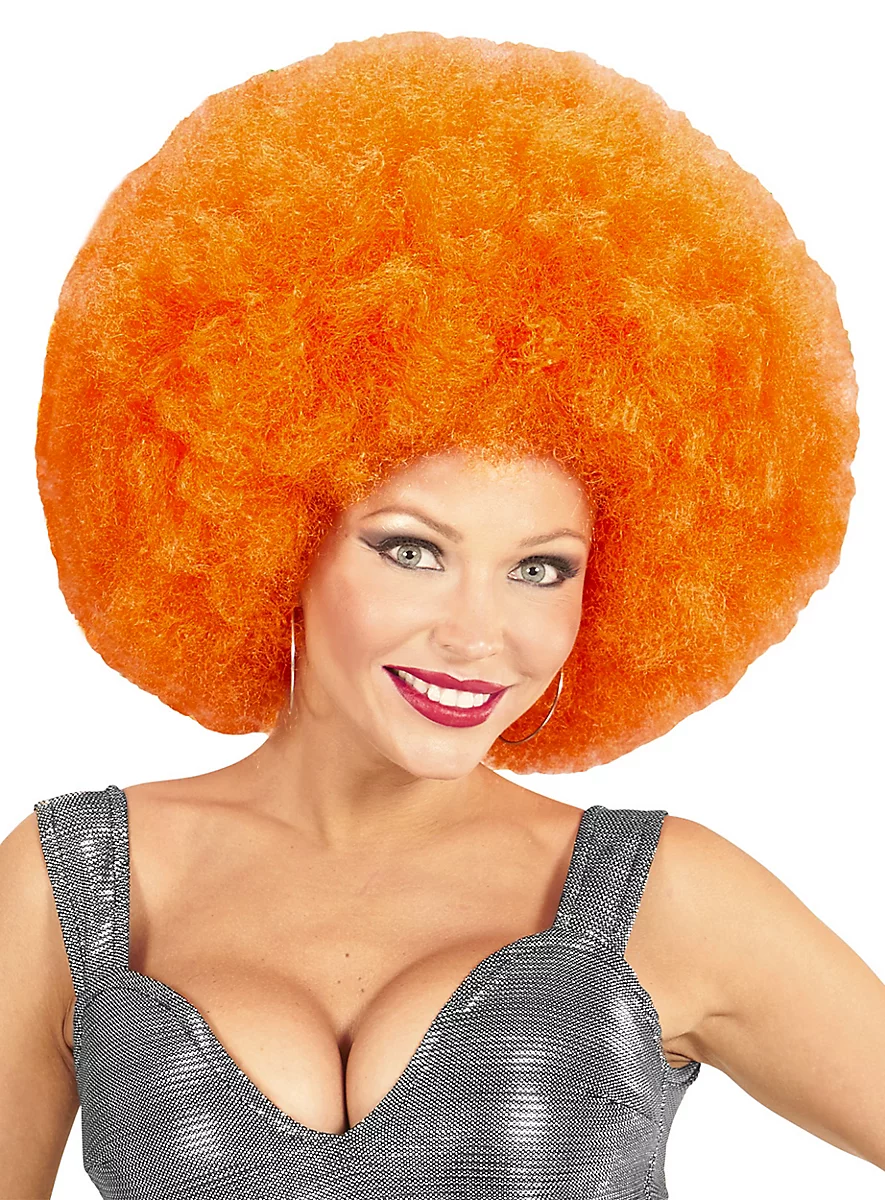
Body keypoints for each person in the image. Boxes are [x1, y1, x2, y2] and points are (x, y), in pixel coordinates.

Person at [2, 29, 883, 1198]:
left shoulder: (666, 894)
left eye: (541, 569)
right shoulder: (73, 880)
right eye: (412, 550)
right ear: (274, 530)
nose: (478, 634)